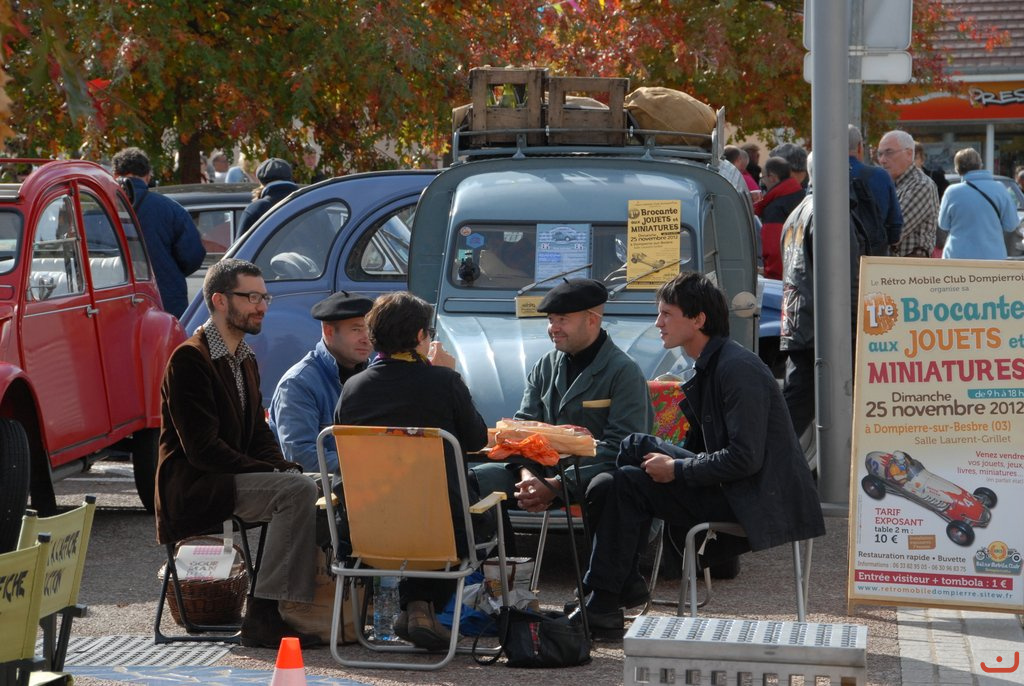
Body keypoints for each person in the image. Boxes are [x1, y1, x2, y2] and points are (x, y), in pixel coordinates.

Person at [575, 272, 825, 639]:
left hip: (755, 497)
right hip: (733, 485)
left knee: (626, 470)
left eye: (667, 314)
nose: (658, 323)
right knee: (617, 472)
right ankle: (611, 594)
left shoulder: (737, 369)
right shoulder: (713, 363)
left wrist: (676, 469)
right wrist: (676, 466)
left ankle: (609, 596)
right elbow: (707, 451)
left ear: (698, 319)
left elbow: (745, 459)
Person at [155, 258, 319, 649]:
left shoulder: (244, 356)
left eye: (264, 297)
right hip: (197, 486)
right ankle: (264, 614)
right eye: (251, 297)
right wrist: (272, 473)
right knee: (295, 491)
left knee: (320, 483)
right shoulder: (189, 359)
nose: (262, 306)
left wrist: (283, 466)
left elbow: (258, 432)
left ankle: (314, 608)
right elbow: (203, 451)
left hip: (231, 478)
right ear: (220, 300)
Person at [334, 291, 487, 651]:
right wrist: (449, 374)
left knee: (419, 510)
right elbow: (477, 439)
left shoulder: (353, 388)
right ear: (420, 336)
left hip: (367, 530)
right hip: (441, 531)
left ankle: (417, 609)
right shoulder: (443, 382)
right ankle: (425, 607)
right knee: (479, 513)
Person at [470, 278, 652, 525]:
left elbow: (622, 447)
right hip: (539, 472)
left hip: (590, 478)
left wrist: (558, 484)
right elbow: (520, 431)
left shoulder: (623, 371)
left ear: (592, 320)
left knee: (606, 487)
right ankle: (501, 551)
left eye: (562, 319)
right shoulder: (545, 365)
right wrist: (528, 477)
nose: (553, 328)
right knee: (470, 482)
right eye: (550, 320)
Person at [780, 152, 867, 438]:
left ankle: (766, 460)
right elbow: (845, 279)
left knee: (795, 411)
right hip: (825, 329)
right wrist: (857, 330)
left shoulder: (797, 213)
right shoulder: (828, 212)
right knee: (815, 412)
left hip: (800, 323)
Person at [269, 291, 375, 473]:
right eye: (356, 329)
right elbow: (301, 457)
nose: (366, 338)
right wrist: (368, 466)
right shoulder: (298, 383)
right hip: (321, 486)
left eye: (369, 329)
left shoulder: (372, 375)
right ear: (329, 331)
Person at [111, 147, 206, 318]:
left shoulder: (101, 208)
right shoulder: (171, 209)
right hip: (165, 300)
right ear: (148, 176)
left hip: (113, 300)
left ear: (115, 174)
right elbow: (193, 255)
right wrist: (169, 272)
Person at [938, 148, 1019, 260]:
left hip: (957, 256)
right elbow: (1011, 225)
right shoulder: (1000, 189)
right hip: (992, 257)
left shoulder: (951, 192)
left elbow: (943, 224)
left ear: (957, 169)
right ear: (980, 165)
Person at [877, 130, 939, 258]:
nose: (882, 160)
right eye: (879, 154)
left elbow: (894, 233)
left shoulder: (921, 185)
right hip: (891, 266)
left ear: (909, 153)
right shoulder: (890, 184)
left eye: (889, 152)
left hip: (910, 267)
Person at [849, 125, 903, 252]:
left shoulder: (824, 177)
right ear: (859, 147)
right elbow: (895, 225)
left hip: (833, 256)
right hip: (872, 254)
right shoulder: (880, 176)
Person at [754, 156, 805, 279]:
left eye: (763, 177)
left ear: (772, 177)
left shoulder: (775, 209)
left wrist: (770, 275)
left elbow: (774, 253)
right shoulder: (801, 196)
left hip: (783, 280)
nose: (762, 182)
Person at [238, 158, 299, 234]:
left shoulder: (256, 209)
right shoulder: (307, 202)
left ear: (261, 183)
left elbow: (242, 241)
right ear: (290, 176)